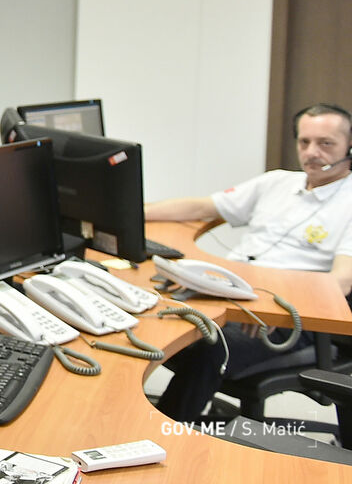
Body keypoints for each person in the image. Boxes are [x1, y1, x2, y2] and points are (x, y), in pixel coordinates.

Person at [145, 103, 352, 423]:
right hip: (230, 293)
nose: (312, 152)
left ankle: (162, 433)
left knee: (208, 346)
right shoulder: (277, 182)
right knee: (147, 317)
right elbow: (202, 206)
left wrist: (276, 307)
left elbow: (342, 281)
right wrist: (134, 213)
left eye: (326, 144)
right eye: (304, 142)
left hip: (291, 317)